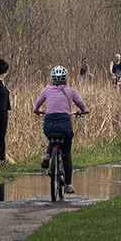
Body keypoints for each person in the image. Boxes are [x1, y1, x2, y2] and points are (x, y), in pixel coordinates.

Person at [33, 65, 88, 194]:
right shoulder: (70, 91)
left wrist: (38, 111)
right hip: (64, 123)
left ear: (52, 78)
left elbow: (36, 106)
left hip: (49, 123)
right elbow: (82, 106)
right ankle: (68, 184)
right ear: (65, 79)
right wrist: (83, 111)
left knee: (52, 136)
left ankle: (48, 155)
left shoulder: (46, 90)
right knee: (67, 153)